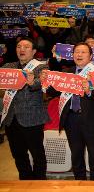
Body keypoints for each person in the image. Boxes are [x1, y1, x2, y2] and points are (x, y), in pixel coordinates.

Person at [41, 42, 94, 180]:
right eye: (76, 52)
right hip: (71, 119)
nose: (79, 55)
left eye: (83, 52)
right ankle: (80, 182)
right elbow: (53, 91)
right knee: (76, 153)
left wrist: (89, 91)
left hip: (91, 119)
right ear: (72, 55)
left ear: (90, 56)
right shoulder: (66, 73)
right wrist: (45, 83)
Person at [1, 37, 49, 180]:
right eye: (19, 46)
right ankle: (25, 180)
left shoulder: (41, 66)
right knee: (18, 154)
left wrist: (31, 82)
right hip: (11, 118)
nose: (21, 49)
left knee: (37, 154)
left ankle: (39, 183)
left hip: (32, 118)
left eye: (26, 47)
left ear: (34, 51)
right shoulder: (8, 66)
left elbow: (41, 83)